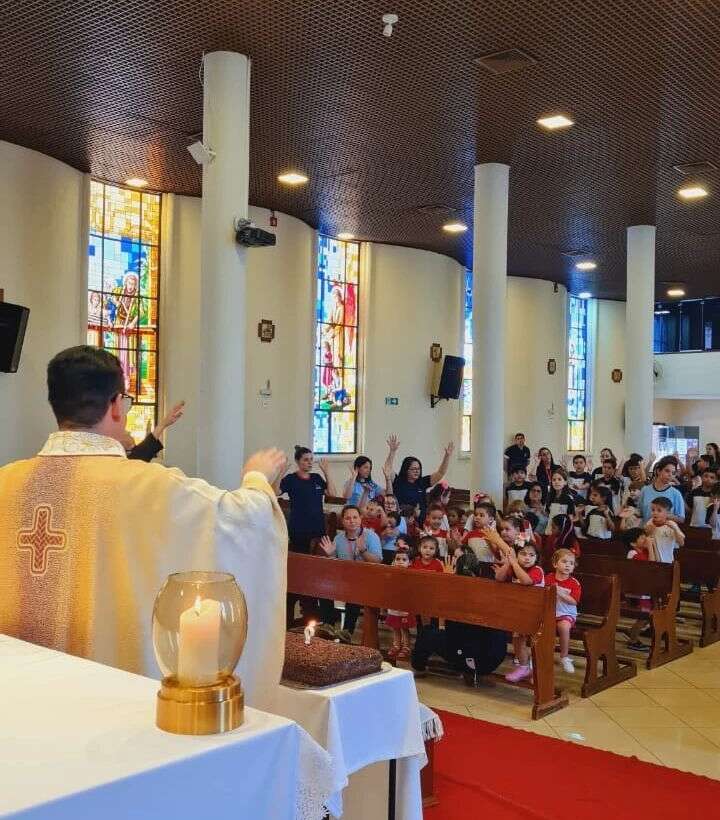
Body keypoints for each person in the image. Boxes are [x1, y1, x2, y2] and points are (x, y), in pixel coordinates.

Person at [0, 346, 288, 712]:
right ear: (116, 404)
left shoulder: (6, 482)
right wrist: (258, 476)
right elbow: (243, 520)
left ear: (55, 405)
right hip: (109, 708)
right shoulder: (148, 486)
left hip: (13, 701)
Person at [411, 554, 509, 685]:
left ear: (456, 570)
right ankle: (476, 672)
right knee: (494, 634)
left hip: (458, 653)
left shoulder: (451, 589)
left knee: (427, 631)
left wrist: (447, 580)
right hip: (487, 658)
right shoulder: (488, 589)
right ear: (479, 571)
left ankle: (419, 669)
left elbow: (434, 608)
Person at [279, 445, 337, 628]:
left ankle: (327, 618)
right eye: (306, 459)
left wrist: (327, 472)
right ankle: (308, 613)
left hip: (318, 534)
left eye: (311, 459)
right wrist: (280, 472)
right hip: (299, 533)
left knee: (321, 573)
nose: (309, 463)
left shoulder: (317, 478)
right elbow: (274, 492)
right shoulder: (291, 479)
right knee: (304, 575)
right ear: (298, 461)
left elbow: (333, 494)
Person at [318, 505, 382, 637]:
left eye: (355, 517)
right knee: (322, 586)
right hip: (344, 578)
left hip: (365, 579)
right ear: (343, 522)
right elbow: (335, 565)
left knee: (355, 590)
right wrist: (331, 555)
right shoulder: (339, 538)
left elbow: (378, 562)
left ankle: (347, 631)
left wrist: (363, 551)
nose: (352, 521)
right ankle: (328, 624)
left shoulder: (371, 536)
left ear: (360, 519)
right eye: (347, 518)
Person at [496, 540, 545, 684]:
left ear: (536, 558)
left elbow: (527, 581)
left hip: (538, 612)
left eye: (531, 555)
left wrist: (515, 563)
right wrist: (508, 562)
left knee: (537, 643)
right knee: (518, 638)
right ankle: (524, 667)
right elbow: (498, 578)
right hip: (522, 611)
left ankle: (537, 671)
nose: (527, 557)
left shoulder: (537, 570)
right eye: (523, 554)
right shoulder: (513, 566)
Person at [384, 434, 455, 523]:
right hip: (401, 519)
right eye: (413, 469)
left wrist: (447, 456)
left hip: (420, 520)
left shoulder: (422, 482)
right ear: (406, 470)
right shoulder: (398, 481)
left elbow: (440, 473)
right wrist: (392, 452)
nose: (417, 471)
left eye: (418, 469)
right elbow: (388, 469)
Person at [545, 549, 582, 674]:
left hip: (566, 613)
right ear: (555, 564)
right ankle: (540, 655)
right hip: (550, 612)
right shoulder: (548, 578)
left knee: (564, 626)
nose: (567, 565)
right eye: (564, 562)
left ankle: (564, 657)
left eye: (571, 563)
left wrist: (559, 592)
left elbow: (574, 601)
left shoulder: (574, 583)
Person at [638, 455, 686, 523]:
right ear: (658, 471)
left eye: (673, 473)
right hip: (646, 530)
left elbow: (681, 519)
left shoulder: (676, 493)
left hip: (665, 532)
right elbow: (639, 512)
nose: (670, 475)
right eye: (667, 471)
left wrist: (665, 515)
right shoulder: (645, 490)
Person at [386, 550, 414, 660]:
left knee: (404, 628)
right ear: (393, 561)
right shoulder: (390, 574)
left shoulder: (410, 575)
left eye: (404, 560)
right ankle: (396, 645)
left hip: (405, 607)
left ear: (409, 562)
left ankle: (406, 647)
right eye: (398, 559)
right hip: (393, 606)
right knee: (395, 627)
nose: (400, 562)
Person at [645, 497, 685, 562]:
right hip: (652, 559)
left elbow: (681, 543)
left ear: (668, 512)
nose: (655, 513)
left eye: (659, 510)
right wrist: (649, 532)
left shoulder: (672, 524)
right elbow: (646, 538)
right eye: (653, 510)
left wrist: (675, 530)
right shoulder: (649, 522)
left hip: (667, 560)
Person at [545, 468, 576, 534]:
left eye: (559, 479)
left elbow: (570, 518)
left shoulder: (569, 498)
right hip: (550, 529)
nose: (556, 482)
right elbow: (548, 513)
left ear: (565, 482)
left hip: (563, 531)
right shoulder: (549, 497)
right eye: (554, 480)